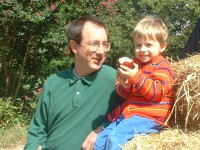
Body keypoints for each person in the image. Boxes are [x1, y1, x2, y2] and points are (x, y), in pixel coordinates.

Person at [23, 15, 123, 150]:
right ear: (74, 46)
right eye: (94, 44)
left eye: (105, 44)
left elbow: (135, 114)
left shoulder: (116, 79)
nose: (101, 51)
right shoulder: (54, 82)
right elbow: (38, 129)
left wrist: (104, 128)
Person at [94, 15, 175, 150]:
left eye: (149, 45)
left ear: (162, 46)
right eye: (138, 45)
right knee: (100, 140)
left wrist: (136, 77)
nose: (142, 49)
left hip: (150, 117)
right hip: (129, 115)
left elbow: (157, 93)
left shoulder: (163, 66)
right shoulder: (134, 65)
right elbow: (123, 93)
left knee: (115, 138)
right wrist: (125, 86)